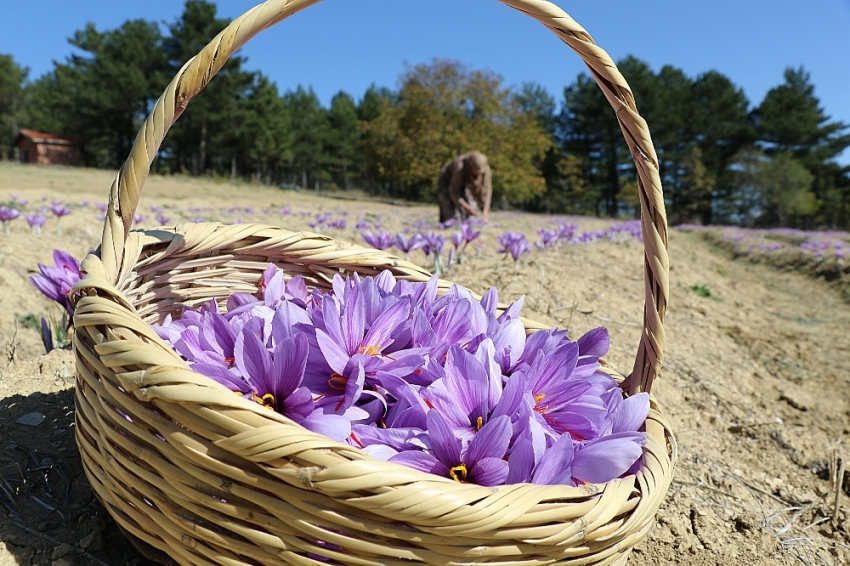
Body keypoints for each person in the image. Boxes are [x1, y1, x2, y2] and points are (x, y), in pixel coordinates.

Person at [437, 151, 492, 223]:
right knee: (451, 216)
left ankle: (465, 222)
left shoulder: (485, 169)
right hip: (447, 180)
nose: (479, 175)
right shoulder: (460, 167)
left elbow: (487, 190)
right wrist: (466, 207)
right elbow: (454, 191)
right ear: (471, 167)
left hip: (464, 183)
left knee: (471, 211)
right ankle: (447, 223)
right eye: (476, 172)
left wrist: (485, 210)